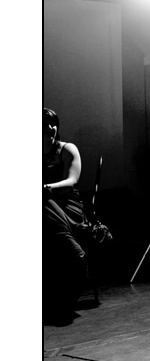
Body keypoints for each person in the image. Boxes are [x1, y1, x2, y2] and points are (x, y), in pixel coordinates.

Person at [43, 108, 90, 322]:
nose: (50, 127)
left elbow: (71, 182)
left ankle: (74, 252)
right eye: (44, 123)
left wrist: (46, 188)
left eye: (53, 123)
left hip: (69, 208)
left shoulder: (67, 149)